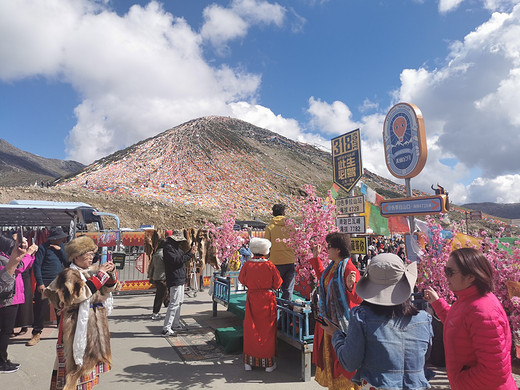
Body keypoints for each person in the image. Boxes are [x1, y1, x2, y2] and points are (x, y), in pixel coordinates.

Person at [324, 253, 433, 389]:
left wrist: (337, 336)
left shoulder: (361, 317)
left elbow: (349, 362)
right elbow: (425, 355)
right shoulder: (424, 319)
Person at [424, 248, 517, 390]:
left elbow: (494, 372)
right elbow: (458, 324)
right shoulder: (468, 299)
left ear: (471, 276)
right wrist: (437, 303)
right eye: (445, 270)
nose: (445, 277)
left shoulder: (483, 312)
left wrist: (459, 381)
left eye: (450, 272)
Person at [44, 235, 118, 390]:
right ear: (76, 256)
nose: (92, 256)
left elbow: (105, 291)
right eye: (88, 253)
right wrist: (100, 276)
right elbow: (77, 296)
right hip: (76, 329)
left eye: (92, 253)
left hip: (94, 329)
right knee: (74, 371)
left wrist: (110, 276)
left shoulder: (91, 271)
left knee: (89, 371)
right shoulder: (69, 274)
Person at [309, 232, 362, 390]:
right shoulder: (333, 267)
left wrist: (351, 287)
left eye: (329, 247)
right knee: (332, 362)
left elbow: (359, 298)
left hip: (342, 325)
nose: (327, 250)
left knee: (341, 363)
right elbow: (323, 281)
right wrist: (316, 258)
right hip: (329, 322)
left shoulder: (349, 268)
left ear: (338, 249)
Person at [238, 237, 282, 372]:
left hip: (252, 298)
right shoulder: (269, 265)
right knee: (267, 330)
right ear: (265, 250)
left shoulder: (247, 265)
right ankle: (268, 364)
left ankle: (248, 363)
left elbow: (242, 280)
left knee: (251, 329)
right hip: (267, 299)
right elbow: (278, 283)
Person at [0, 235, 37, 373]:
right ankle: (1, 361)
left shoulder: (6, 257)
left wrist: (28, 255)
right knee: (5, 331)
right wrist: (28, 254)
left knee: (6, 330)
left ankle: (3, 358)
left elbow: (24, 265)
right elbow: (20, 267)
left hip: (14, 297)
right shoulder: (3, 259)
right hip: (7, 299)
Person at [28, 226, 69, 346]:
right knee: (40, 308)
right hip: (45, 282)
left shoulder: (61, 247)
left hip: (59, 282)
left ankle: (62, 334)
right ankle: (36, 333)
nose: (61, 240)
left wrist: (60, 250)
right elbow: (37, 266)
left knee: (60, 308)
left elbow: (67, 263)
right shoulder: (42, 248)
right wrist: (40, 283)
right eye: (59, 238)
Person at [162, 229, 196, 337]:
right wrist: (190, 254)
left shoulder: (176, 248)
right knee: (174, 303)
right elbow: (177, 260)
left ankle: (175, 324)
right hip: (174, 277)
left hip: (180, 277)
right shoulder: (168, 248)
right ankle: (166, 327)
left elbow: (182, 257)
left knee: (179, 302)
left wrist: (190, 251)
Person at [264, 203, 296, 301]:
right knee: (288, 289)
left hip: (276, 261)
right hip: (290, 260)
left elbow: (267, 244)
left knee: (274, 287)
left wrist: (267, 257)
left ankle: (274, 308)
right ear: (284, 213)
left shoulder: (270, 227)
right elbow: (296, 242)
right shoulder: (291, 226)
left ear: (273, 213)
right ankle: (286, 311)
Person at [148, 239, 167, 320]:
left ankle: (162, 309)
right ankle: (155, 312)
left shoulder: (156, 253)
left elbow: (151, 267)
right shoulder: (164, 254)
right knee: (160, 296)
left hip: (157, 277)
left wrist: (151, 276)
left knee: (162, 294)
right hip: (162, 277)